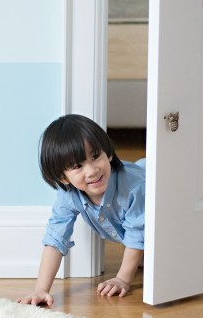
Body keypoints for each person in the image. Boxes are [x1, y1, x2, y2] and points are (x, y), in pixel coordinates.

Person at [17, 114, 145, 307]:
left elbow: (137, 233)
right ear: (63, 178)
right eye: (78, 166)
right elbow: (55, 237)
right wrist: (41, 289)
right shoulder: (68, 194)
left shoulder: (134, 188)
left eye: (95, 157)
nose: (92, 170)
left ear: (108, 153)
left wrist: (123, 279)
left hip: (167, 200)